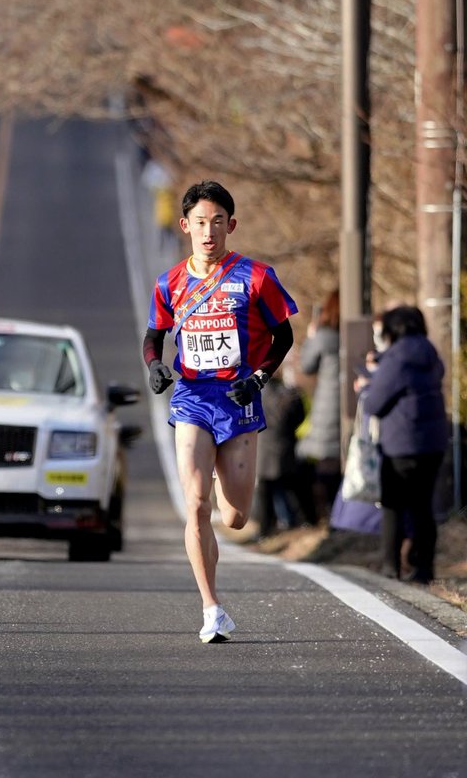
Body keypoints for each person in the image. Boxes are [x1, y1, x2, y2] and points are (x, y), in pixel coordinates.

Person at [143, 180, 298, 643]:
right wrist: (155, 367)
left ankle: (216, 472)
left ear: (230, 226)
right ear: (185, 225)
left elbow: (283, 337)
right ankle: (211, 609)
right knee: (195, 507)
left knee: (234, 517)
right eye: (199, 223)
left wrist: (258, 379)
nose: (207, 232)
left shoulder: (256, 277)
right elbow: (155, 336)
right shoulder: (169, 282)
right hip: (192, 398)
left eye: (217, 223)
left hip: (239, 401)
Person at [361, 305, 448, 584]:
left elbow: (376, 403)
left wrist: (366, 385)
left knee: (393, 506)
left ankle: (390, 568)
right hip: (433, 442)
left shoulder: (396, 358)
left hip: (400, 442)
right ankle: (424, 570)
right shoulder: (429, 352)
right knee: (423, 506)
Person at [297, 289, 342, 520]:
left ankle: (328, 517)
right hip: (347, 401)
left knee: (321, 460)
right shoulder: (356, 334)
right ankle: (338, 516)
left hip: (327, 402)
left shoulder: (324, 336)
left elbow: (306, 365)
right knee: (336, 459)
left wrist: (311, 337)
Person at [253, 370, 309, 537]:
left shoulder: (256, 394)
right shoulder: (289, 394)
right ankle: (306, 521)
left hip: (263, 448)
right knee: (294, 486)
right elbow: (300, 415)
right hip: (285, 445)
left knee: (265, 491)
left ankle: (264, 530)